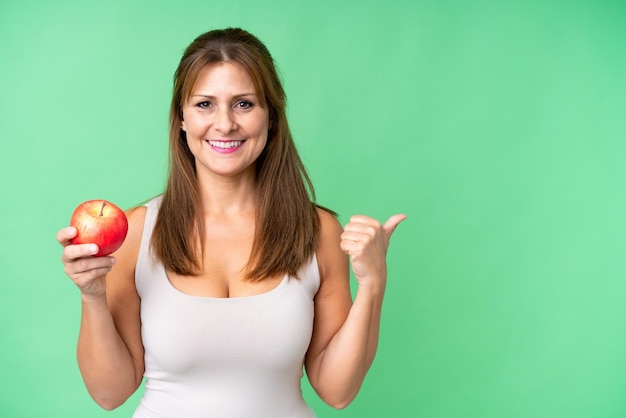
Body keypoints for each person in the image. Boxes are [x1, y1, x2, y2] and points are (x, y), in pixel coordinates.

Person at [57, 27, 406, 418]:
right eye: (205, 104)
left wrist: (373, 284)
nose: (224, 124)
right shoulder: (138, 232)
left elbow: (337, 391)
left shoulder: (319, 232)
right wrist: (92, 294)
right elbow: (110, 393)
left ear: (271, 117)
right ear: (182, 119)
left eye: (244, 104)